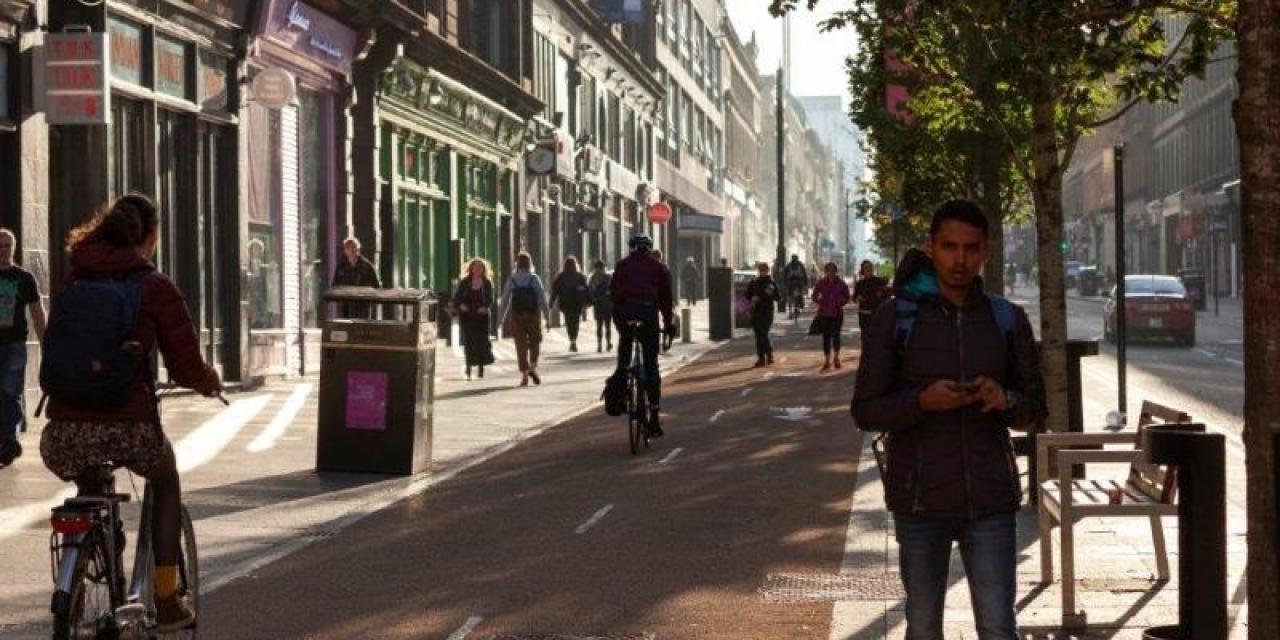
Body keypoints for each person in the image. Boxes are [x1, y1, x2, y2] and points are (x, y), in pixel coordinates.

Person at [852, 200, 1045, 640]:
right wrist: (922, 402)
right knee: (922, 628)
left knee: (998, 627)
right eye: (949, 247)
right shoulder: (894, 318)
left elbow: (1036, 410)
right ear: (931, 247)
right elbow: (865, 410)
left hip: (990, 499)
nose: (960, 260)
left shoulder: (1006, 318)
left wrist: (1006, 399)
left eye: (971, 249)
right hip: (919, 500)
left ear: (986, 252)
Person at [40, 194, 221, 631]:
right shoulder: (153, 285)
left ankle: (97, 545)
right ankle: (165, 595)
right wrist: (207, 381)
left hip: (63, 432)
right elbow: (183, 362)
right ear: (151, 236)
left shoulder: (74, 277)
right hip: (130, 428)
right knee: (165, 476)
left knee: (88, 474)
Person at [610, 234, 676, 436]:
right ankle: (654, 418)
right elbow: (666, 301)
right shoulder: (659, 268)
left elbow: (612, 294)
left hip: (625, 313)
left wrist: (620, 318)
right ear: (649, 249)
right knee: (651, 365)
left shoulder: (621, 266)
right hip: (648, 314)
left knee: (625, 343)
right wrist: (668, 325)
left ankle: (622, 376)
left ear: (631, 248)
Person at [0, 229, 45, 467]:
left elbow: (37, 313)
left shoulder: (24, 278)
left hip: (15, 344)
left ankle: (9, 440)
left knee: (10, 392)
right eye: (0, 246)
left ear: (14, 248)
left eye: (7, 246)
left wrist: (45, 344)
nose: (3, 250)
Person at [499, 251, 550, 386]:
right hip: (533, 314)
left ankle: (524, 375)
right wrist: (547, 317)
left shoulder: (512, 279)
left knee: (520, 345)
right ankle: (533, 367)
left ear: (517, 264)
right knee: (535, 341)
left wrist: (500, 319)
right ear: (530, 263)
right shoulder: (534, 278)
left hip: (517, 315)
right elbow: (542, 299)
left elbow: (504, 300)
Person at [452, 258, 495, 380]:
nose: (477, 269)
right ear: (470, 269)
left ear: (483, 269)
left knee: (482, 341)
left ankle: (481, 367)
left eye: (480, 267)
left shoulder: (487, 283)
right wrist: (461, 305)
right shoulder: (465, 282)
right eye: (475, 267)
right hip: (467, 316)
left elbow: (490, 299)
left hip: (482, 316)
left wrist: (485, 307)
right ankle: (468, 367)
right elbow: (457, 297)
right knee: (468, 342)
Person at [811, 261, 851, 371]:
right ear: (825, 272)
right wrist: (820, 301)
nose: (830, 273)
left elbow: (847, 296)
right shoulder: (821, 282)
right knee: (826, 337)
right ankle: (827, 360)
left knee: (836, 336)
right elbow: (814, 295)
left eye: (832, 271)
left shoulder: (841, 283)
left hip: (837, 313)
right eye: (828, 271)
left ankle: (836, 358)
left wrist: (840, 301)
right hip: (824, 313)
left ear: (835, 272)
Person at [330, 236, 382, 318]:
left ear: (358, 249)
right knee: (347, 327)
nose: (351, 250)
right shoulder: (341, 267)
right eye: (348, 248)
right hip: (346, 304)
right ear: (345, 251)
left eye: (353, 247)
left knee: (362, 327)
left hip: (363, 305)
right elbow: (335, 284)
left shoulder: (367, 267)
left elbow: (376, 286)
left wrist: (366, 294)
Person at [549, 256, 589, 353]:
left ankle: (572, 340)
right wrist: (588, 301)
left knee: (568, 321)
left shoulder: (561, 276)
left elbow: (555, 290)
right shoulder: (580, 276)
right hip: (577, 303)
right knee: (575, 322)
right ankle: (574, 339)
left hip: (565, 303)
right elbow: (586, 289)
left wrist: (551, 302)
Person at [744, 262, 779, 367]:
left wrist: (766, 295)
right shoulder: (754, 282)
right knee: (758, 335)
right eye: (761, 270)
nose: (762, 272)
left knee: (763, 333)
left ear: (767, 270)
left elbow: (777, 297)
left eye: (764, 270)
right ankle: (761, 358)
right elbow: (747, 295)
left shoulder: (771, 282)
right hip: (756, 311)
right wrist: (752, 299)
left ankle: (769, 354)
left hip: (767, 311)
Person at [853, 260, 890, 339]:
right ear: (863, 270)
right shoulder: (860, 284)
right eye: (866, 268)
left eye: (870, 267)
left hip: (877, 314)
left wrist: (882, 294)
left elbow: (888, 295)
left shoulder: (880, 281)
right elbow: (854, 298)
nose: (868, 269)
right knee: (865, 336)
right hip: (864, 314)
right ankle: (866, 351)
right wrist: (857, 298)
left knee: (877, 336)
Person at [587, 260, 613, 352]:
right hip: (606, 304)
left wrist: (592, 299)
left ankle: (600, 345)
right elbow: (612, 289)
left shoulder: (593, 278)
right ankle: (606, 343)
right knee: (606, 325)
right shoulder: (608, 277)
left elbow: (589, 291)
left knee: (601, 325)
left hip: (599, 304)